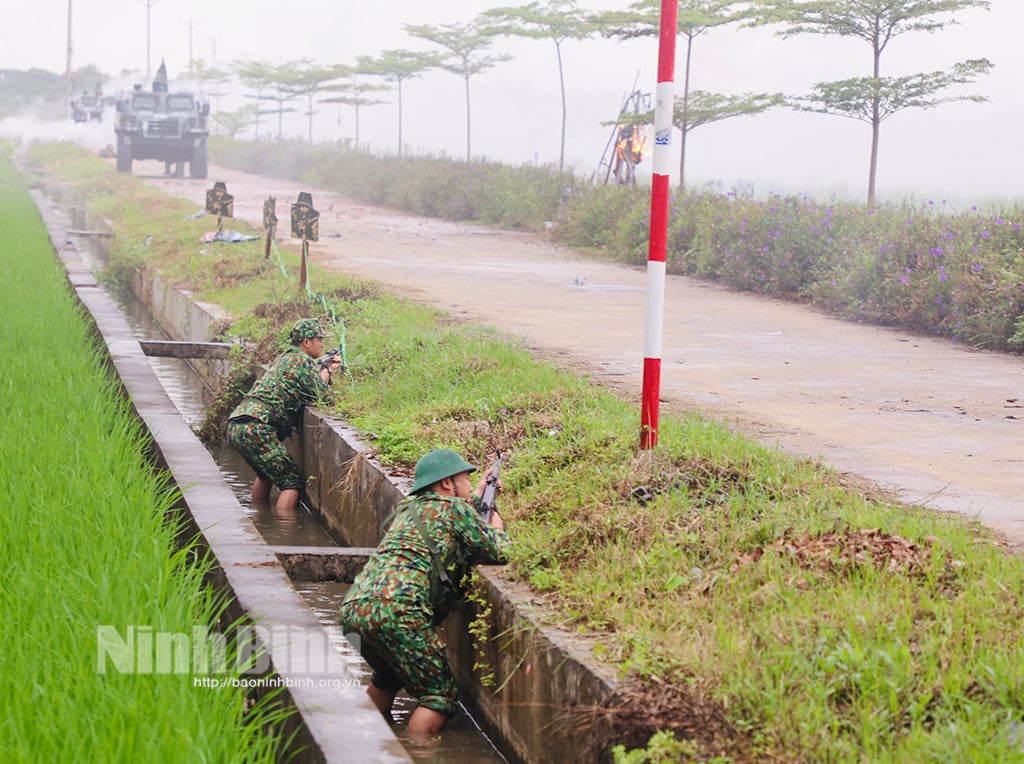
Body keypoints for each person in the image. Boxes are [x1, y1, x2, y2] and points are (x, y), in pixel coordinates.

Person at [339, 448, 511, 736]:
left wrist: (479, 493)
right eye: (465, 481)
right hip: (399, 613)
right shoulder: (454, 509)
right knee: (438, 696)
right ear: (447, 484)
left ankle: (363, 743)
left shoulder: (408, 510)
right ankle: (416, 753)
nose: (470, 488)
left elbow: (450, 525)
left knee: (388, 677)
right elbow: (499, 550)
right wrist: (496, 522)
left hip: (355, 610)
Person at [226, 318, 342, 510]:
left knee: (266, 474)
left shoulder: (285, 357)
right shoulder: (302, 360)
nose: (322, 344)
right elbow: (323, 396)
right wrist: (327, 371)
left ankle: (260, 519)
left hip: (238, 424)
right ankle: (284, 531)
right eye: (319, 339)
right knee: (291, 482)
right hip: (257, 427)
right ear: (307, 342)